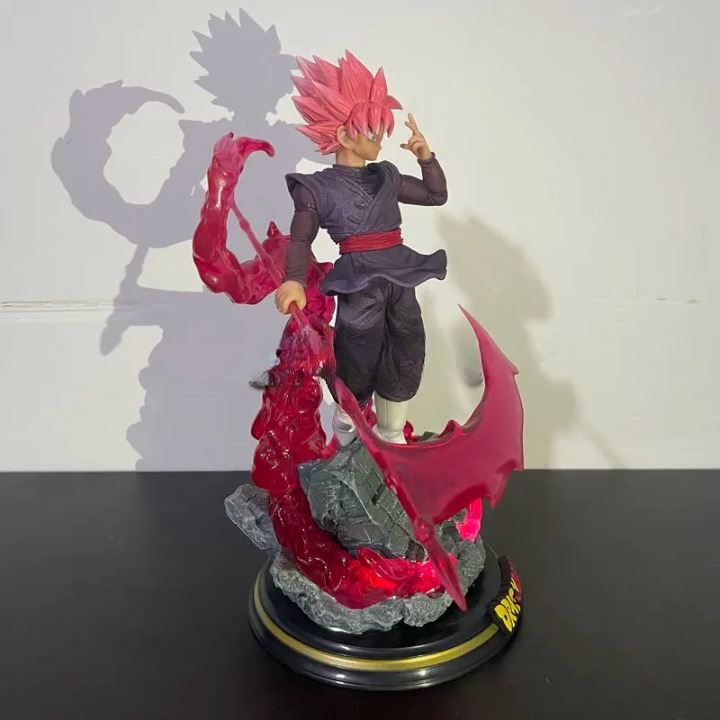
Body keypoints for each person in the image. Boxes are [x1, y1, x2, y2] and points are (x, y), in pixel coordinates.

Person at [274, 51, 448, 445]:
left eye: (380, 131)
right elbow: (300, 238)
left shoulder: (386, 176)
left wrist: (426, 158)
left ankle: (392, 436)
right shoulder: (317, 188)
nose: (380, 141)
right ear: (344, 136)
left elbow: (435, 196)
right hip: (359, 281)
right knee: (357, 355)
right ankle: (347, 433)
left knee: (406, 347)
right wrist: (294, 279)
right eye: (372, 132)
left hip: (400, 273)